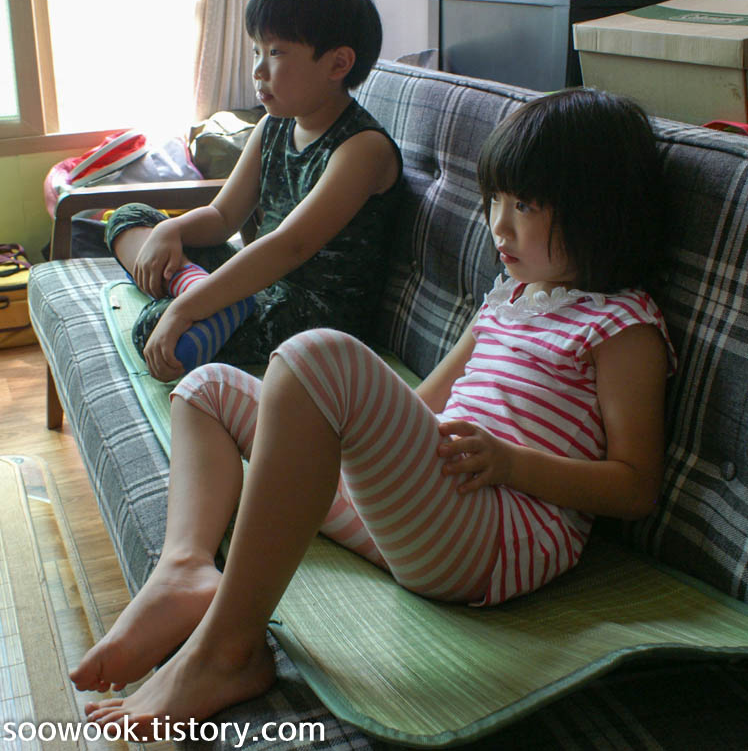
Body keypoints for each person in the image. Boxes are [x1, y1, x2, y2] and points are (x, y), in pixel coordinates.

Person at [73, 88, 676, 737]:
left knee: (316, 356)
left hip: (494, 535)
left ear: (599, 212)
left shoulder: (624, 326)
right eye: (496, 200)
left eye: (524, 206)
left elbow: (635, 486)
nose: (498, 226)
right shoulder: (509, 296)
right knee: (207, 390)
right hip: (425, 509)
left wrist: (511, 465)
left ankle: (230, 651)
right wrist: (342, 437)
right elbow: (423, 406)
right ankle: (185, 567)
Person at [106, 0, 402, 381]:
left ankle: (196, 295)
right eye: (255, 51)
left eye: (276, 53)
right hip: (263, 283)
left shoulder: (363, 148)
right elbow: (222, 217)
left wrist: (183, 311)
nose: (259, 70)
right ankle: (197, 289)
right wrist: (170, 231)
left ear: (338, 63)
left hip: (315, 316)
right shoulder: (273, 125)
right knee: (131, 218)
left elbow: (289, 246)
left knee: (153, 328)